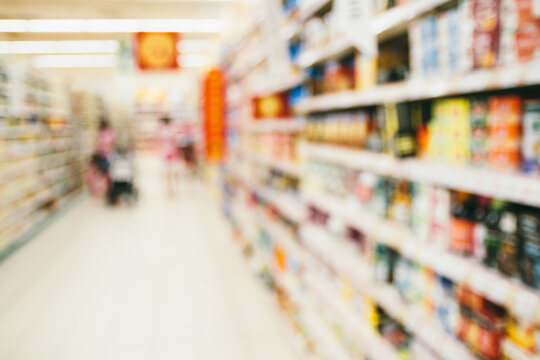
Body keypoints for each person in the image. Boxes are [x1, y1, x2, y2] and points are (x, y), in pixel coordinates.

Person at [88, 119, 116, 197]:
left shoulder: (106, 133)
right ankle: (101, 190)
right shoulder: (110, 133)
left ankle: (103, 190)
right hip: (104, 156)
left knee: (104, 174)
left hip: (105, 156)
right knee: (105, 174)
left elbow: (103, 144)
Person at [159, 116, 180, 196]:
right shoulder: (173, 130)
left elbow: (160, 141)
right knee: (174, 170)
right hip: (173, 151)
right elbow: (176, 141)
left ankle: (169, 188)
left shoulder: (162, 130)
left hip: (165, 152)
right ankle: (175, 187)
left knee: (167, 170)